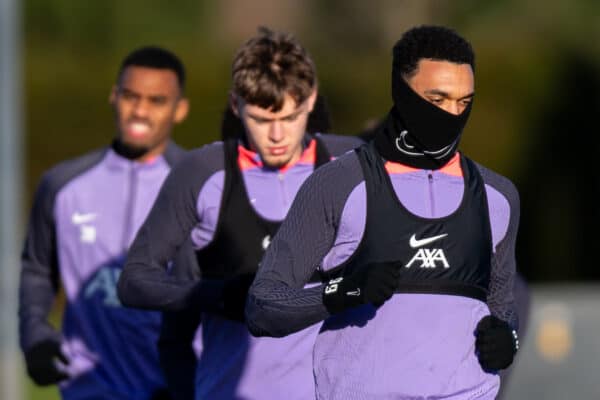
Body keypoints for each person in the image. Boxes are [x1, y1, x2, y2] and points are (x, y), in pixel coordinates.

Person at [246, 25, 520, 399]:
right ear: (400, 92)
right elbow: (263, 305)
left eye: (463, 102)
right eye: (437, 100)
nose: (452, 115)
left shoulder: (497, 196)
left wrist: (509, 337)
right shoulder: (339, 185)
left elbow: (502, 305)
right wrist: (343, 290)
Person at [117, 27, 362, 399]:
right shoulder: (203, 173)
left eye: (291, 117)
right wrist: (215, 294)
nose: (277, 135)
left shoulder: (353, 165)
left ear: (310, 100)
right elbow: (135, 281)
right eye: (262, 121)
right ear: (236, 105)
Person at [19, 46, 190, 400]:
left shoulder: (202, 187)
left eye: (156, 101)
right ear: (114, 96)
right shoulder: (62, 184)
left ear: (180, 109)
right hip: (88, 389)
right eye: (131, 96)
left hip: (176, 390)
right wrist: (35, 335)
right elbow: (37, 269)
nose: (140, 111)